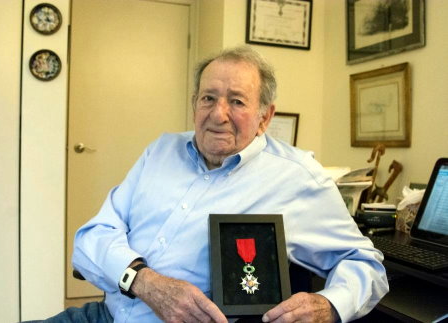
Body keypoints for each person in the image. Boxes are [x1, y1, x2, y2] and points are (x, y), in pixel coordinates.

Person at [55, 46, 388, 323]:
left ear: (265, 117)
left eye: (237, 101)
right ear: (194, 103)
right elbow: (91, 238)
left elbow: (365, 264)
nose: (218, 114)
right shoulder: (161, 150)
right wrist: (145, 282)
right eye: (208, 98)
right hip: (103, 313)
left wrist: (329, 305)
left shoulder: (297, 177)